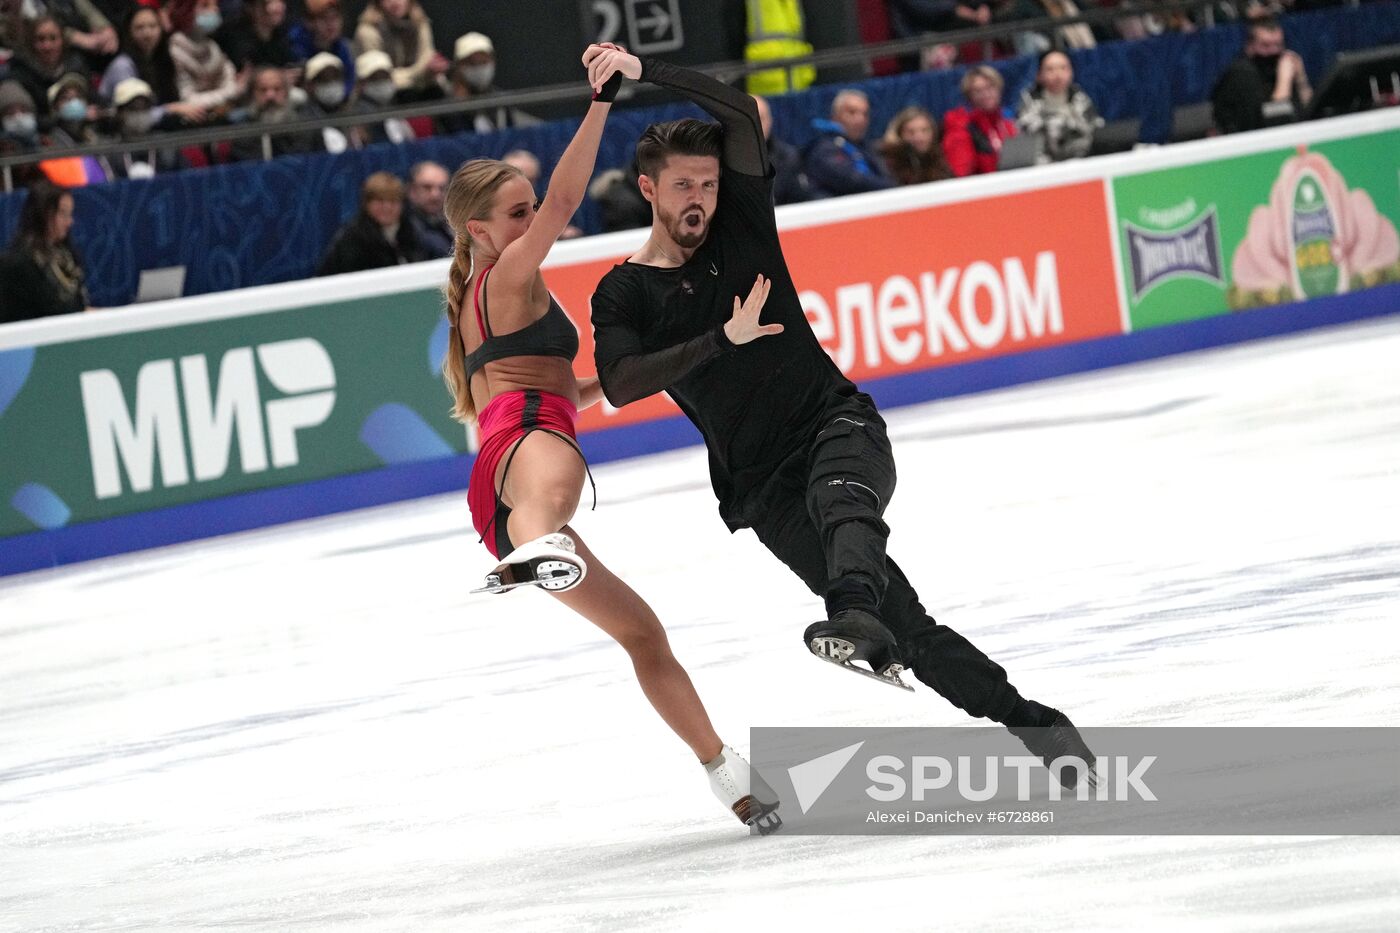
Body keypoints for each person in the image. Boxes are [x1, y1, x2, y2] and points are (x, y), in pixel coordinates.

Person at [585, 44, 1096, 785]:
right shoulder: (624, 292)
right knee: (912, 631)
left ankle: (852, 612)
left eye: (708, 181)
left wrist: (646, 71)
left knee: (842, 508)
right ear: (647, 189)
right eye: (683, 185)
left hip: (835, 423)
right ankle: (1035, 723)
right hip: (760, 487)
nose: (700, 195)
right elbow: (620, 382)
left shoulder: (743, 228)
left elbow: (733, 109)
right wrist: (718, 339)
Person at [440, 49, 780, 833]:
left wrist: (665, 363)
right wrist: (601, 101)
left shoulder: (488, 298)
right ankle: (533, 546)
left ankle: (724, 770)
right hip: (526, 445)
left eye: (528, 210)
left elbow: (570, 389)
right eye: (516, 214)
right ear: (480, 231)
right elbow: (566, 199)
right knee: (549, 500)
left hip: (521, 443)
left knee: (642, 631)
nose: (534, 222)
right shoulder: (504, 275)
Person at [100, 6, 208, 126]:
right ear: (129, 32)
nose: (147, 33)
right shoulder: (122, 66)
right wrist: (170, 109)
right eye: (139, 28)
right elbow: (133, 118)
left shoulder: (163, 60)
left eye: (153, 26)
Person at [0, 180, 88, 323]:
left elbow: (78, 304)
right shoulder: (19, 262)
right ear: (44, 214)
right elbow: (52, 310)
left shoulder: (66, 255)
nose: (69, 221)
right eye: (63, 213)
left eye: (70, 214)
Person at [1212, 17, 1311, 134]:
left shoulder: (1280, 66)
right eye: (1265, 45)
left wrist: (1301, 78)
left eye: (1278, 45)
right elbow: (1272, 122)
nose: (1273, 51)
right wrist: (1284, 81)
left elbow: (1310, 111)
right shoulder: (1240, 74)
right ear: (1250, 46)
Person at [317, 171, 426, 275]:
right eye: (380, 201)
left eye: (393, 201)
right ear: (366, 204)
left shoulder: (411, 230)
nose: (387, 207)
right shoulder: (352, 239)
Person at [435, 32, 539, 135]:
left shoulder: (500, 102)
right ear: (459, 66)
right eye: (473, 63)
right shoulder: (447, 106)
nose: (480, 69)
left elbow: (511, 138)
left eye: (484, 62)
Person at [802, 88, 894, 197]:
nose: (860, 119)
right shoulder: (823, 149)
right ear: (835, 117)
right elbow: (851, 181)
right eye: (852, 112)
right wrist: (893, 188)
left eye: (864, 114)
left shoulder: (867, 148)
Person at [1014, 50, 1102, 163]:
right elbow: (1035, 137)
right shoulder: (1028, 101)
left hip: (1084, 160)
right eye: (1050, 69)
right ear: (1039, 75)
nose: (1058, 75)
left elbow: (1097, 128)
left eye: (1063, 68)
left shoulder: (1080, 97)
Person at [352, 0, 446, 103]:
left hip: (418, 86)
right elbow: (380, 77)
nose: (395, 2)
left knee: (437, 87)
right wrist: (420, 74)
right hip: (381, 94)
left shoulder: (420, 23)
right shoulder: (367, 32)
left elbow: (426, 59)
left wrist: (429, 70)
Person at [169, 0, 245, 114]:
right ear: (185, 11)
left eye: (215, 5)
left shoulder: (213, 46)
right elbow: (188, 101)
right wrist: (230, 93)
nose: (214, 10)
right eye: (205, 5)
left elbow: (230, 80)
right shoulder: (173, 50)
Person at [230, 64, 318, 161]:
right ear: (252, 95)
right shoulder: (242, 133)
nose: (270, 96)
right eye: (263, 90)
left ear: (286, 93)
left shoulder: (306, 127)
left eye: (277, 89)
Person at [107, 77, 189, 179]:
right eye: (133, 108)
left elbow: (185, 181)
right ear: (119, 113)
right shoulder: (110, 152)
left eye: (145, 107)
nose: (140, 114)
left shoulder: (167, 147)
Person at [942, 64, 1016, 176]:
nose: (986, 94)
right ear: (969, 96)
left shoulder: (1007, 123)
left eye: (990, 87)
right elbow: (961, 173)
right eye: (978, 91)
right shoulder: (960, 128)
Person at [9, 16, 90, 117]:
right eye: (41, 39)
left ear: (62, 41)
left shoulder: (76, 66)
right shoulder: (21, 73)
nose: (47, 46)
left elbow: (92, 97)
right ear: (31, 43)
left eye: (53, 38)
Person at [501, 149, 584, 240]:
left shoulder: (543, 205)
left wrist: (562, 231)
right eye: (520, 181)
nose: (527, 186)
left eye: (531, 180)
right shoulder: (495, 206)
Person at [753, 93, 817, 205]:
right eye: (750, 120)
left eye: (761, 119)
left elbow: (802, 198)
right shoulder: (721, 157)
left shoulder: (787, 156)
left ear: (770, 121)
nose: (756, 125)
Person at [288, 0, 355, 95]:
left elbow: (349, 80)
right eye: (324, 18)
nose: (331, 24)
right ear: (309, 22)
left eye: (335, 17)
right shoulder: (294, 47)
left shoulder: (342, 46)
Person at [879, 105, 954, 186]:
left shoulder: (939, 160)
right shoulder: (888, 164)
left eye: (924, 131)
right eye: (911, 132)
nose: (919, 137)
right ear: (899, 135)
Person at [214, 0, 295, 72]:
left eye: (281, 1)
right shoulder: (232, 36)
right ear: (250, 8)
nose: (278, 7)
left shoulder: (283, 35)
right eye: (268, 2)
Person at [405, 160, 451, 257]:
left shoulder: (452, 223)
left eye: (442, 188)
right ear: (412, 191)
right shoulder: (405, 229)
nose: (435, 195)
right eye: (427, 187)